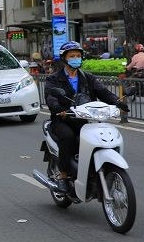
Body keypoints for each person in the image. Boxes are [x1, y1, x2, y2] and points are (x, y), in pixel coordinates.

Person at [44, 41, 129, 193]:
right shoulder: (53, 79)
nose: (76, 58)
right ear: (64, 58)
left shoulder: (88, 78)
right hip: (63, 119)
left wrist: (118, 102)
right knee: (69, 137)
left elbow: (103, 92)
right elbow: (51, 97)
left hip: (87, 120)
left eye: (78, 56)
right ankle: (63, 177)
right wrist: (58, 109)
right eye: (72, 56)